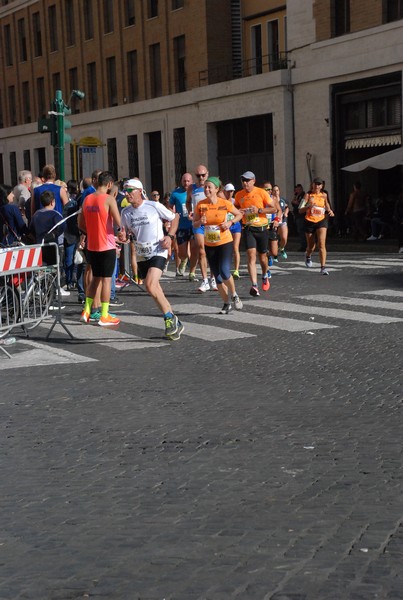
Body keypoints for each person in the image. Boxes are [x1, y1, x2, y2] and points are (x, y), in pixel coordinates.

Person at [118, 178, 184, 341]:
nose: (127, 194)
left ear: (140, 191)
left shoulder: (153, 206)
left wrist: (170, 236)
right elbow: (124, 233)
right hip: (142, 254)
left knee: (150, 284)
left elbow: (175, 217)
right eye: (125, 191)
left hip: (158, 250)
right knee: (154, 289)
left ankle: (169, 318)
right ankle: (175, 320)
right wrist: (123, 236)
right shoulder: (125, 212)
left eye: (130, 190)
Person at [193, 177, 243, 314]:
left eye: (210, 187)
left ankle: (234, 295)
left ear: (217, 189)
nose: (207, 189)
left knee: (225, 271)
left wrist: (230, 223)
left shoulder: (224, 203)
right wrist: (200, 222)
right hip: (210, 244)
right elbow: (194, 223)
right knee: (217, 276)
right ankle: (226, 303)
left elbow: (239, 214)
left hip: (225, 242)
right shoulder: (201, 205)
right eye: (205, 187)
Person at [78, 171, 121, 327]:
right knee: (106, 280)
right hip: (107, 245)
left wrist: (90, 231)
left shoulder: (87, 198)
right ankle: (104, 314)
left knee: (95, 279)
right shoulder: (109, 199)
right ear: (109, 184)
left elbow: (80, 223)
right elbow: (118, 222)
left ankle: (87, 311)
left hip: (92, 245)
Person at [234, 171, 276, 296]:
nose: (245, 183)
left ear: (253, 181)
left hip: (262, 228)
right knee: (251, 255)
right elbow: (234, 209)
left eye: (247, 180)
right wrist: (238, 211)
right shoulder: (238, 195)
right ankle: (254, 285)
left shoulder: (261, 192)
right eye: (243, 180)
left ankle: (264, 275)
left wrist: (259, 210)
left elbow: (274, 208)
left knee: (263, 257)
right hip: (248, 228)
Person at [186, 164, 218, 292]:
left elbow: (221, 202)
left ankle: (213, 278)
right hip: (198, 222)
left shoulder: (213, 187)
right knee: (201, 250)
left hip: (212, 223)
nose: (201, 178)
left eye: (203, 175)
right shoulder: (191, 188)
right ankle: (204, 280)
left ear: (207, 174)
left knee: (213, 251)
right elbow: (188, 202)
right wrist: (190, 211)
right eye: (198, 176)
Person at [299, 177, 334, 275]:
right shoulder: (308, 195)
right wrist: (308, 207)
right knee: (311, 246)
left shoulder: (324, 195)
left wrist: (330, 211)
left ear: (322, 186)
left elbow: (326, 205)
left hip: (321, 221)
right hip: (309, 221)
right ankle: (308, 255)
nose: (317, 186)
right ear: (312, 184)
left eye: (319, 184)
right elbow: (300, 209)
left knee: (321, 244)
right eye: (315, 184)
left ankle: (323, 267)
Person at [169, 173, 196, 279]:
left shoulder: (195, 191)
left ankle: (192, 272)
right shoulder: (175, 193)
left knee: (194, 249)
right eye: (184, 181)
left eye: (188, 181)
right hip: (181, 226)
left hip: (194, 225)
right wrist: (174, 214)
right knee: (182, 252)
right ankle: (184, 260)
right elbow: (170, 207)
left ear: (192, 181)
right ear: (181, 181)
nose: (186, 183)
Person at [30, 189, 66, 267]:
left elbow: (31, 229)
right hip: (53, 247)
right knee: (56, 270)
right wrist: (54, 234)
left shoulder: (36, 214)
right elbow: (62, 226)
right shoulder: (55, 215)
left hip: (40, 246)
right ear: (52, 202)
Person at [222, 183, 242, 279]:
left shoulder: (235, 201)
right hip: (227, 226)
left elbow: (240, 210)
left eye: (232, 191)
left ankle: (236, 270)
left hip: (236, 225)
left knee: (235, 247)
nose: (230, 193)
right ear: (224, 191)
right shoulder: (221, 202)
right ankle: (226, 268)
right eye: (228, 191)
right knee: (227, 249)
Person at [263, 180, 281, 265]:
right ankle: (266, 270)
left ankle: (269, 255)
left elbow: (279, 211)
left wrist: (277, 219)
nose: (269, 191)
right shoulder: (259, 198)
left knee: (274, 252)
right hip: (262, 225)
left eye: (270, 189)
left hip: (271, 225)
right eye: (267, 189)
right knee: (263, 249)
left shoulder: (273, 199)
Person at [272, 184, 290, 259]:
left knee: (284, 238)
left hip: (282, 221)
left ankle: (281, 248)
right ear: (272, 191)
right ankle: (274, 255)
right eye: (274, 190)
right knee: (274, 240)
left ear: (279, 191)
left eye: (277, 190)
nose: (276, 192)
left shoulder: (283, 200)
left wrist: (286, 213)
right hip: (274, 221)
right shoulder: (270, 200)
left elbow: (287, 207)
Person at [291, 183, 306, 251]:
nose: (297, 191)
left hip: (301, 216)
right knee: (300, 231)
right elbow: (293, 202)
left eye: (299, 189)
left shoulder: (303, 195)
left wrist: (294, 202)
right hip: (297, 215)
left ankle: (304, 246)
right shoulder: (297, 195)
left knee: (302, 230)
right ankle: (303, 245)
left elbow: (300, 204)